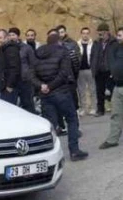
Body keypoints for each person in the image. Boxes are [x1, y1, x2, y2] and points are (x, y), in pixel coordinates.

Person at [33, 33, 88, 161]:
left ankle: (48, 155)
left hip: (45, 94)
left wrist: (42, 86)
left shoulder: (37, 53)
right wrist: (51, 86)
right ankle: (74, 151)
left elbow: (31, 74)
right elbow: (65, 72)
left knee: (50, 125)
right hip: (61, 92)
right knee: (72, 119)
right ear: (58, 42)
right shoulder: (62, 52)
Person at [8, 27, 37, 112]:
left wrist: (30, 76)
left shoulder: (26, 48)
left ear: (18, 36)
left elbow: (33, 63)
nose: (11, 37)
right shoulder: (7, 48)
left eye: (13, 35)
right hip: (13, 82)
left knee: (28, 105)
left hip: (25, 81)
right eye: (9, 35)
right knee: (12, 107)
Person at [90, 23, 115, 117]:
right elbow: (92, 56)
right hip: (99, 71)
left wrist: (114, 70)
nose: (100, 36)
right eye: (99, 34)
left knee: (112, 91)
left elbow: (116, 56)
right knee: (99, 92)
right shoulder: (96, 43)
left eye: (102, 33)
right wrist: (93, 68)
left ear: (107, 32)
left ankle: (115, 110)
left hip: (110, 71)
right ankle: (100, 110)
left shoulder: (114, 42)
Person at [0, 29, 23, 106]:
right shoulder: (3, 49)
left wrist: (9, 86)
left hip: (9, 89)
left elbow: (14, 68)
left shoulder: (11, 49)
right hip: (2, 88)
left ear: (6, 38)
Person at [76, 26, 96, 116]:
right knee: (81, 90)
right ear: (81, 34)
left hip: (90, 69)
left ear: (89, 34)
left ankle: (93, 108)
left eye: (87, 33)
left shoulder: (93, 44)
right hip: (80, 70)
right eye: (83, 33)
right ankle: (83, 108)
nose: (85, 35)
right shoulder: (77, 44)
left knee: (92, 89)